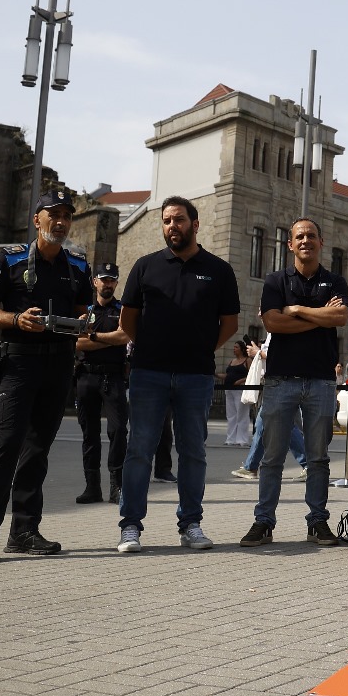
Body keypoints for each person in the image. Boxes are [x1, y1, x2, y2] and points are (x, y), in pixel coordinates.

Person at [0, 189, 90, 565]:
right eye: (54, 214)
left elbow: (85, 315)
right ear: (37, 219)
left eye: (67, 215)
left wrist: (85, 324)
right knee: (6, 448)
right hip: (19, 365)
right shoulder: (11, 259)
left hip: (60, 365)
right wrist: (16, 320)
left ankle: (24, 532)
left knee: (37, 452)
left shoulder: (78, 266)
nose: (61, 221)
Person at [115, 196, 241, 553]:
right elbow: (128, 319)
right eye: (167, 221)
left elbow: (229, 323)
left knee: (193, 453)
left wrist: (200, 349)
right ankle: (130, 527)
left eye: (179, 220)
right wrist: (152, 346)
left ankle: (191, 525)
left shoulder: (218, 270)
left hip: (195, 376)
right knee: (139, 450)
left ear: (195, 225)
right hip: (148, 373)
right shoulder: (145, 266)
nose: (173, 226)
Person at [241, 217, 348, 548]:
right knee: (272, 457)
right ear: (290, 244)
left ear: (321, 242)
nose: (305, 241)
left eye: (311, 236)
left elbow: (341, 317)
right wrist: (319, 318)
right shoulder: (275, 280)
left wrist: (299, 309)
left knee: (318, 458)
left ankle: (318, 522)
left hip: (320, 382)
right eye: (299, 236)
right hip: (280, 381)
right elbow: (273, 322)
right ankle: (264, 522)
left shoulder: (335, 281)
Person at [73, 262, 130, 504]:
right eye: (103, 279)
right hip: (86, 377)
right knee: (90, 433)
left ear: (116, 283)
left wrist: (94, 336)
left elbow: (125, 336)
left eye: (112, 280)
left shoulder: (122, 310)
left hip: (113, 377)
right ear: (95, 281)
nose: (107, 284)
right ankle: (92, 486)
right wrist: (110, 340)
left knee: (118, 431)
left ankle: (116, 485)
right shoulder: (84, 310)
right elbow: (76, 343)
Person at [231, 334, 307, 481]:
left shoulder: (279, 329)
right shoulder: (273, 331)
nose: (260, 313)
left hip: (280, 383)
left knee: (284, 425)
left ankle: (308, 463)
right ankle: (251, 466)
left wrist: (258, 353)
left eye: (261, 309)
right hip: (276, 382)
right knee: (263, 425)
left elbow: (281, 355)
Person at [222, 339, 254, 448]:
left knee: (242, 414)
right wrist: (216, 375)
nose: (234, 349)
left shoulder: (247, 360)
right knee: (231, 414)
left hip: (241, 389)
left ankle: (242, 439)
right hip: (229, 389)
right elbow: (227, 375)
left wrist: (240, 381)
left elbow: (251, 375)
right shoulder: (232, 361)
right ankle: (230, 438)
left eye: (236, 347)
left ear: (241, 349)